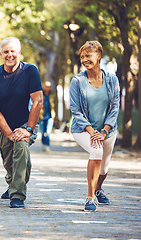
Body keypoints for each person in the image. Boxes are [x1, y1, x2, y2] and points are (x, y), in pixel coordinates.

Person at [0, 37, 43, 208]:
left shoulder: (30, 71)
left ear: (19, 53)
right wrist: (9, 133)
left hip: (27, 122)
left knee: (21, 147)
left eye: (13, 51)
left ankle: (17, 195)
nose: (10, 55)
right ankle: (12, 183)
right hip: (4, 126)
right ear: (1, 54)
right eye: (6, 52)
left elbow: (37, 101)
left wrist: (28, 129)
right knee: (9, 161)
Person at [69, 41, 120, 212]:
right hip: (83, 130)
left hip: (107, 130)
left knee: (104, 167)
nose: (84, 59)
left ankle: (98, 189)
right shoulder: (77, 81)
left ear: (99, 56)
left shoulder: (112, 80)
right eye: (82, 57)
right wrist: (92, 132)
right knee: (96, 151)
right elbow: (76, 110)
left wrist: (104, 131)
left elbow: (114, 108)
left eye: (88, 56)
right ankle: (90, 198)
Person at [40, 81, 54, 152]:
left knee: (48, 132)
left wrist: (55, 116)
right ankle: (43, 144)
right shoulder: (40, 94)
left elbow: (55, 106)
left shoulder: (52, 95)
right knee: (43, 132)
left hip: (50, 116)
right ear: (44, 86)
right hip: (42, 116)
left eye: (49, 87)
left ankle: (47, 146)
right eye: (46, 86)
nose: (47, 88)